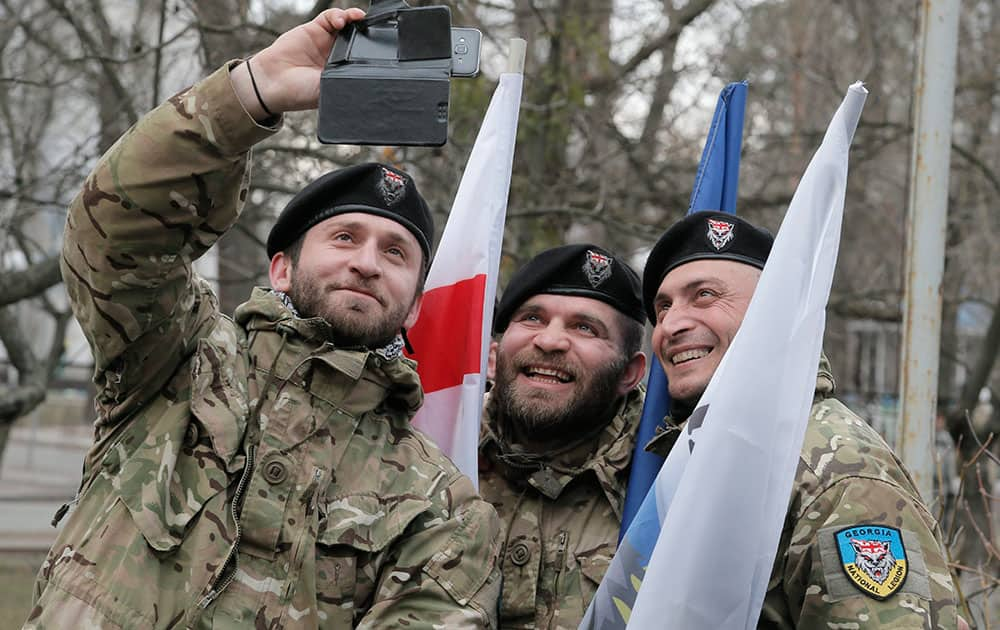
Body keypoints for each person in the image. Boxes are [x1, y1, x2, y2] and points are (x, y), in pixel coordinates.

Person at [26, 8, 502, 629]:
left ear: (415, 304)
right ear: (281, 269)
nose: (366, 263)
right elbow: (113, 233)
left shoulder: (441, 508)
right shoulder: (179, 363)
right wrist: (252, 92)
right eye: (344, 237)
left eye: (395, 253)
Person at [641, 210, 963, 628]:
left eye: (704, 295)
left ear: (776, 312)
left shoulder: (836, 469)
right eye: (663, 307)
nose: (672, 324)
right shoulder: (686, 454)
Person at [478, 244, 647, 629]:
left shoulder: (666, 484)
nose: (550, 341)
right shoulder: (436, 452)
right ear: (495, 353)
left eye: (584, 327)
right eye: (532, 318)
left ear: (629, 374)